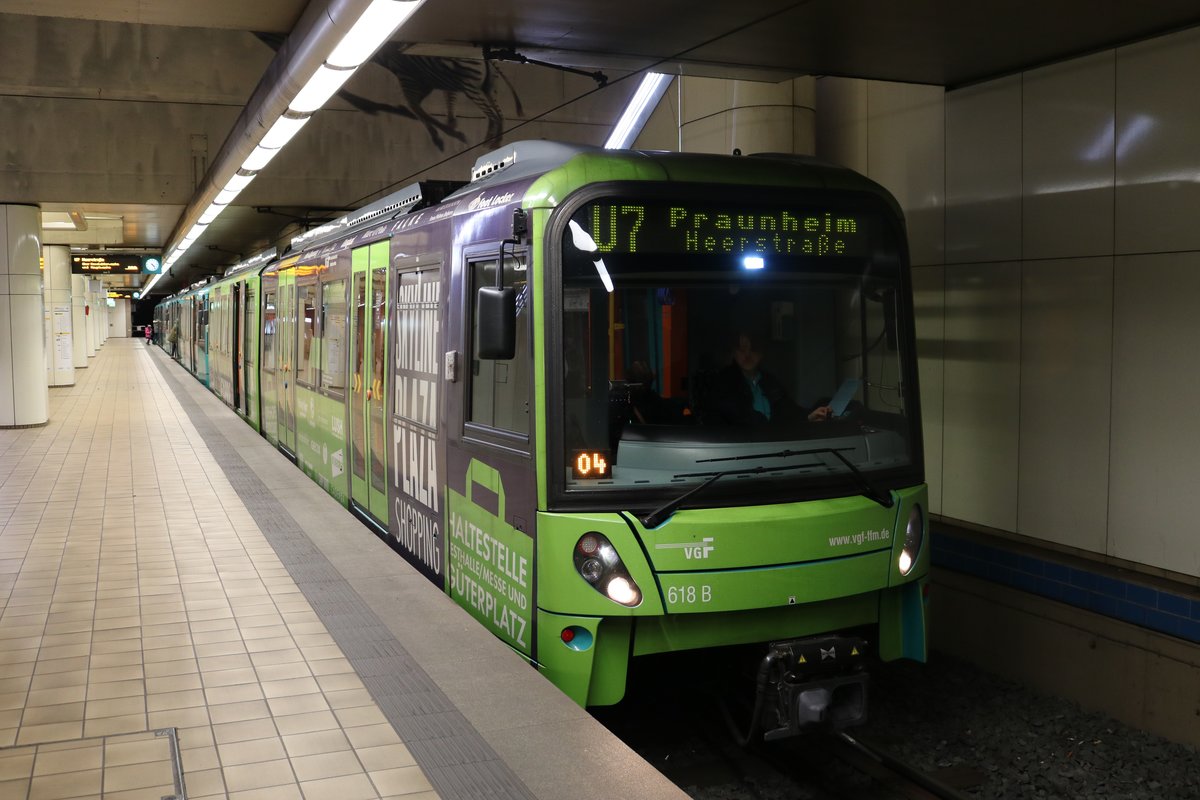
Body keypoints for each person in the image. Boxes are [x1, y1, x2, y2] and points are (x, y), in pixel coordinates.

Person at [705, 329, 831, 425]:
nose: (747, 354)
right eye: (742, 349)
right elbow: (733, 415)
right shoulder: (724, 383)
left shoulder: (771, 382)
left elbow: (789, 412)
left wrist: (809, 417)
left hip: (774, 448)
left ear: (761, 353)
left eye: (753, 349)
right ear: (734, 352)